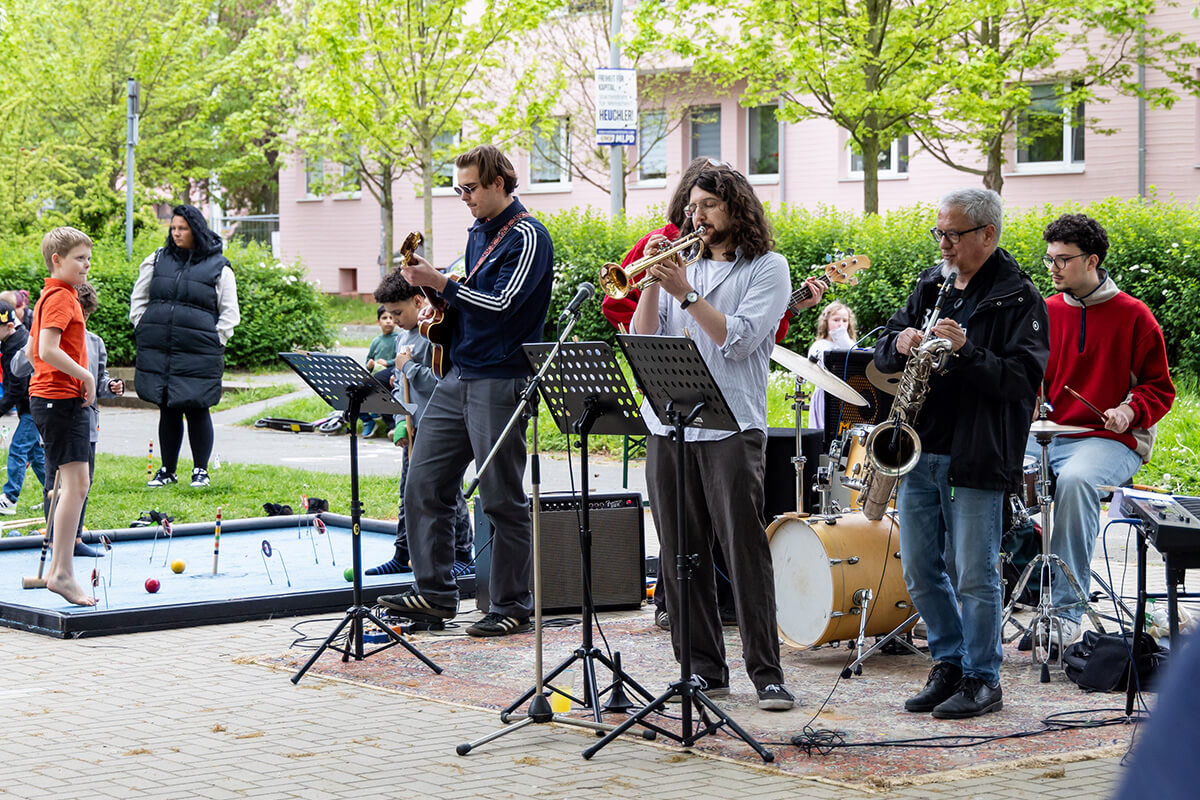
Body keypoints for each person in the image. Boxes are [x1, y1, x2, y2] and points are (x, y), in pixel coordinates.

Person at [632, 164, 822, 711]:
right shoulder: (679, 266)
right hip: (668, 424)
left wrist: (687, 295)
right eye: (692, 208)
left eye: (709, 206)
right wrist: (651, 285)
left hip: (733, 425)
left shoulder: (769, 267)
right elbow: (645, 338)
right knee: (679, 553)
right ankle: (701, 670)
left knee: (743, 552)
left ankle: (767, 673)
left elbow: (737, 341)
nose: (697, 217)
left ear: (735, 208)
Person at [874, 188, 1048, 719]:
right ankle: (948, 663)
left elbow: (1022, 380)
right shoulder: (932, 284)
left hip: (977, 452)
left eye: (953, 234)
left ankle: (982, 677)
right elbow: (882, 345)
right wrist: (899, 343)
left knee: (973, 571)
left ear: (987, 235)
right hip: (918, 447)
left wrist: (967, 350)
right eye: (939, 233)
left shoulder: (1021, 298)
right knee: (922, 569)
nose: (944, 244)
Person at [379, 144, 553, 638]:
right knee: (423, 483)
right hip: (458, 375)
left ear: (499, 182)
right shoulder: (480, 233)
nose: (464, 198)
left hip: (500, 377)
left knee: (500, 497)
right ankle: (434, 595)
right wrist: (434, 291)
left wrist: (442, 282)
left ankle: (513, 604)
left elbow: (502, 305)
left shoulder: (528, 235)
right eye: (458, 189)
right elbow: (469, 304)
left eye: (471, 188)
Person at [1028, 213, 1174, 648]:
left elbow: (1159, 388)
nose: (1052, 268)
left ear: (1091, 261)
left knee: (1075, 481)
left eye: (1062, 260)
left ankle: (1067, 612)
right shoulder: (1045, 312)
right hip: (1048, 433)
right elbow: (1028, 377)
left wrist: (1130, 411)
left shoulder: (1134, 316)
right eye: (1049, 258)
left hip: (1112, 439)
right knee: (989, 469)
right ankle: (981, 599)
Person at [365, 269, 472, 577]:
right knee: (407, 492)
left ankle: (463, 552)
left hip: (437, 425)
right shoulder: (401, 337)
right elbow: (399, 386)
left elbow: (439, 382)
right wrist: (399, 421)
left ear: (417, 300)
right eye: (389, 314)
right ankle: (403, 553)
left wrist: (409, 366)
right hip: (411, 426)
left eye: (399, 312)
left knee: (447, 492)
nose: (395, 319)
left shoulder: (433, 335)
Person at [130, 205, 240, 489]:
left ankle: (200, 470)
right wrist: (142, 325)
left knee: (197, 407)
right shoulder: (157, 260)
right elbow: (139, 298)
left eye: (183, 228)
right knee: (167, 407)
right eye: (173, 228)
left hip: (200, 351)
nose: (176, 233)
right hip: (161, 349)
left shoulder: (218, 266)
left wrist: (217, 339)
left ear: (196, 230)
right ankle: (167, 470)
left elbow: (229, 312)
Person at [28, 226, 97, 607]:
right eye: (80, 259)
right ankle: (62, 572)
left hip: (53, 398)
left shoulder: (53, 296)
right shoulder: (59, 298)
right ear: (57, 260)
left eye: (88, 258)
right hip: (60, 400)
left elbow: (28, 352)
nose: (86, 265)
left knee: (74, 484)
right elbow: (44, 347)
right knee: (75, 486)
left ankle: (61, 568)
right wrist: (83, 374)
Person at [75, 283, 125, 539]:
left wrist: (111, 386)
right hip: (60, 416)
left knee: (85, 482)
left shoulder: (95, 342)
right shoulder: (51, 335)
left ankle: (76, 536)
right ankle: (55, 538)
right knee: (57, 483)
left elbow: (100, 379)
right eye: (77, 312)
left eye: (85, 314)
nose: (81, 319)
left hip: (88, 421)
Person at [0, 301, 47, 522]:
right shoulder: (10, 342)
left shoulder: (15, 346)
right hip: (29, 407)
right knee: (36, 455)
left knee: (18, 448)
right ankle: (56, 492)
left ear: (9, 325)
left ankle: (10, 498)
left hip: (33, 407)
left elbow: (16, 388)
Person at [806, 301, 858, 431]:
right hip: (824, 395)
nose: (841, 324)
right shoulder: (819, 345)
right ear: (826, 321)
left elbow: (854, 359)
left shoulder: (850, 344)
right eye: (836, 320)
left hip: (844, 395)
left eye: (845, 321)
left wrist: (843, 339)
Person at [360, 305, 399, 438]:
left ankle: (391, 425)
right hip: (374, 375)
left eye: (391, 317)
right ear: (378, 321)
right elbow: (368, 360)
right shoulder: (376, 341)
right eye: (384, 318)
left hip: (389, 375)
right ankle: (368, 420)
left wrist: (388, 363)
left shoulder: (398, 338)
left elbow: (401, 359)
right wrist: (370, 364)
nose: (388, 321)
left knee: (384, 391)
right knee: (354, 390)